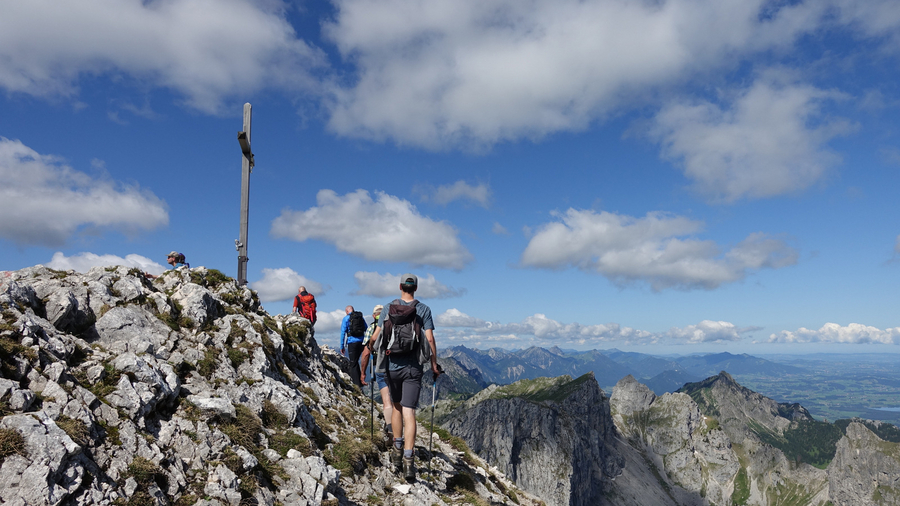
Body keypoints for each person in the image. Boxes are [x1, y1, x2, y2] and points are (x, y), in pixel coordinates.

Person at [368, 273, 440, 480]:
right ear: (415, 288)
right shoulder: (423, 309)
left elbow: (376, 336)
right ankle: (410, 462)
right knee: (410, 413)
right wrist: (434, 364)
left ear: (400, 286)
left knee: (396, 406)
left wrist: (371, 350)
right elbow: (430, 339)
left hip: (392, 367)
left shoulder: (389, 308)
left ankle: (397, 451)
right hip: (413, 368)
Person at [359, 305, 393, 443]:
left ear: (374, 315)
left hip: (380, 366)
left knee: (387, 401)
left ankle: (391, 429)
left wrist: (363, 373)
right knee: (398, 400)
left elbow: (366, 353)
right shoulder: (394, 326)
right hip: (398, 367)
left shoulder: (372, 328)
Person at [340, 305, 367, 387]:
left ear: (347, 311)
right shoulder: (360, 317)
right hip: (361, 342)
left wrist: (342, 346)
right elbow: (366, 328)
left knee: (353, 363)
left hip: (352, 342)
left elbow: (342, 333)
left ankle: (356, 385)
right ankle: (359, 382)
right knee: (356, 361)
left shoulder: (346, 318)